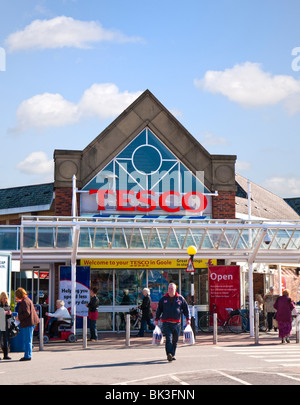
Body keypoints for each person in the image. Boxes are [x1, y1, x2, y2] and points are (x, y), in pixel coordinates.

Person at [155, 282, 190, 362]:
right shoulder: (163, 299)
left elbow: (186, 309)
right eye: (169, 288)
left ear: (175, 289)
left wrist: (188, 319)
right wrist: (156, 319)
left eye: (172, 289)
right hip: (166, 323)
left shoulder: (180, 299)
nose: (170, 290)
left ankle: (173, 354)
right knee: (168, 339)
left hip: (177, 324)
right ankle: (169, 354)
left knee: (175, 340)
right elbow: (159, 310)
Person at [15, 287, 40, 361]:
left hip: (28, 323)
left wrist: (19, 317)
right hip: (29, 322)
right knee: (28, 340)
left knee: (27, 340)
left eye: (17, 295)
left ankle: (27, 356)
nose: (16, 297)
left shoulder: (25, 301)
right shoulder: (27, 300)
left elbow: (27, 313)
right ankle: (28, 354)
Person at [0, 292, 12, 360]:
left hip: (6, 323)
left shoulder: (8, 305)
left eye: (6, 298)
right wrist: (5, 312)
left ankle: (6, 354)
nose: (5, 300)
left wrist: (10, 314)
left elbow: (10, 314)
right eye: (3, 298)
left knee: (6, 339)